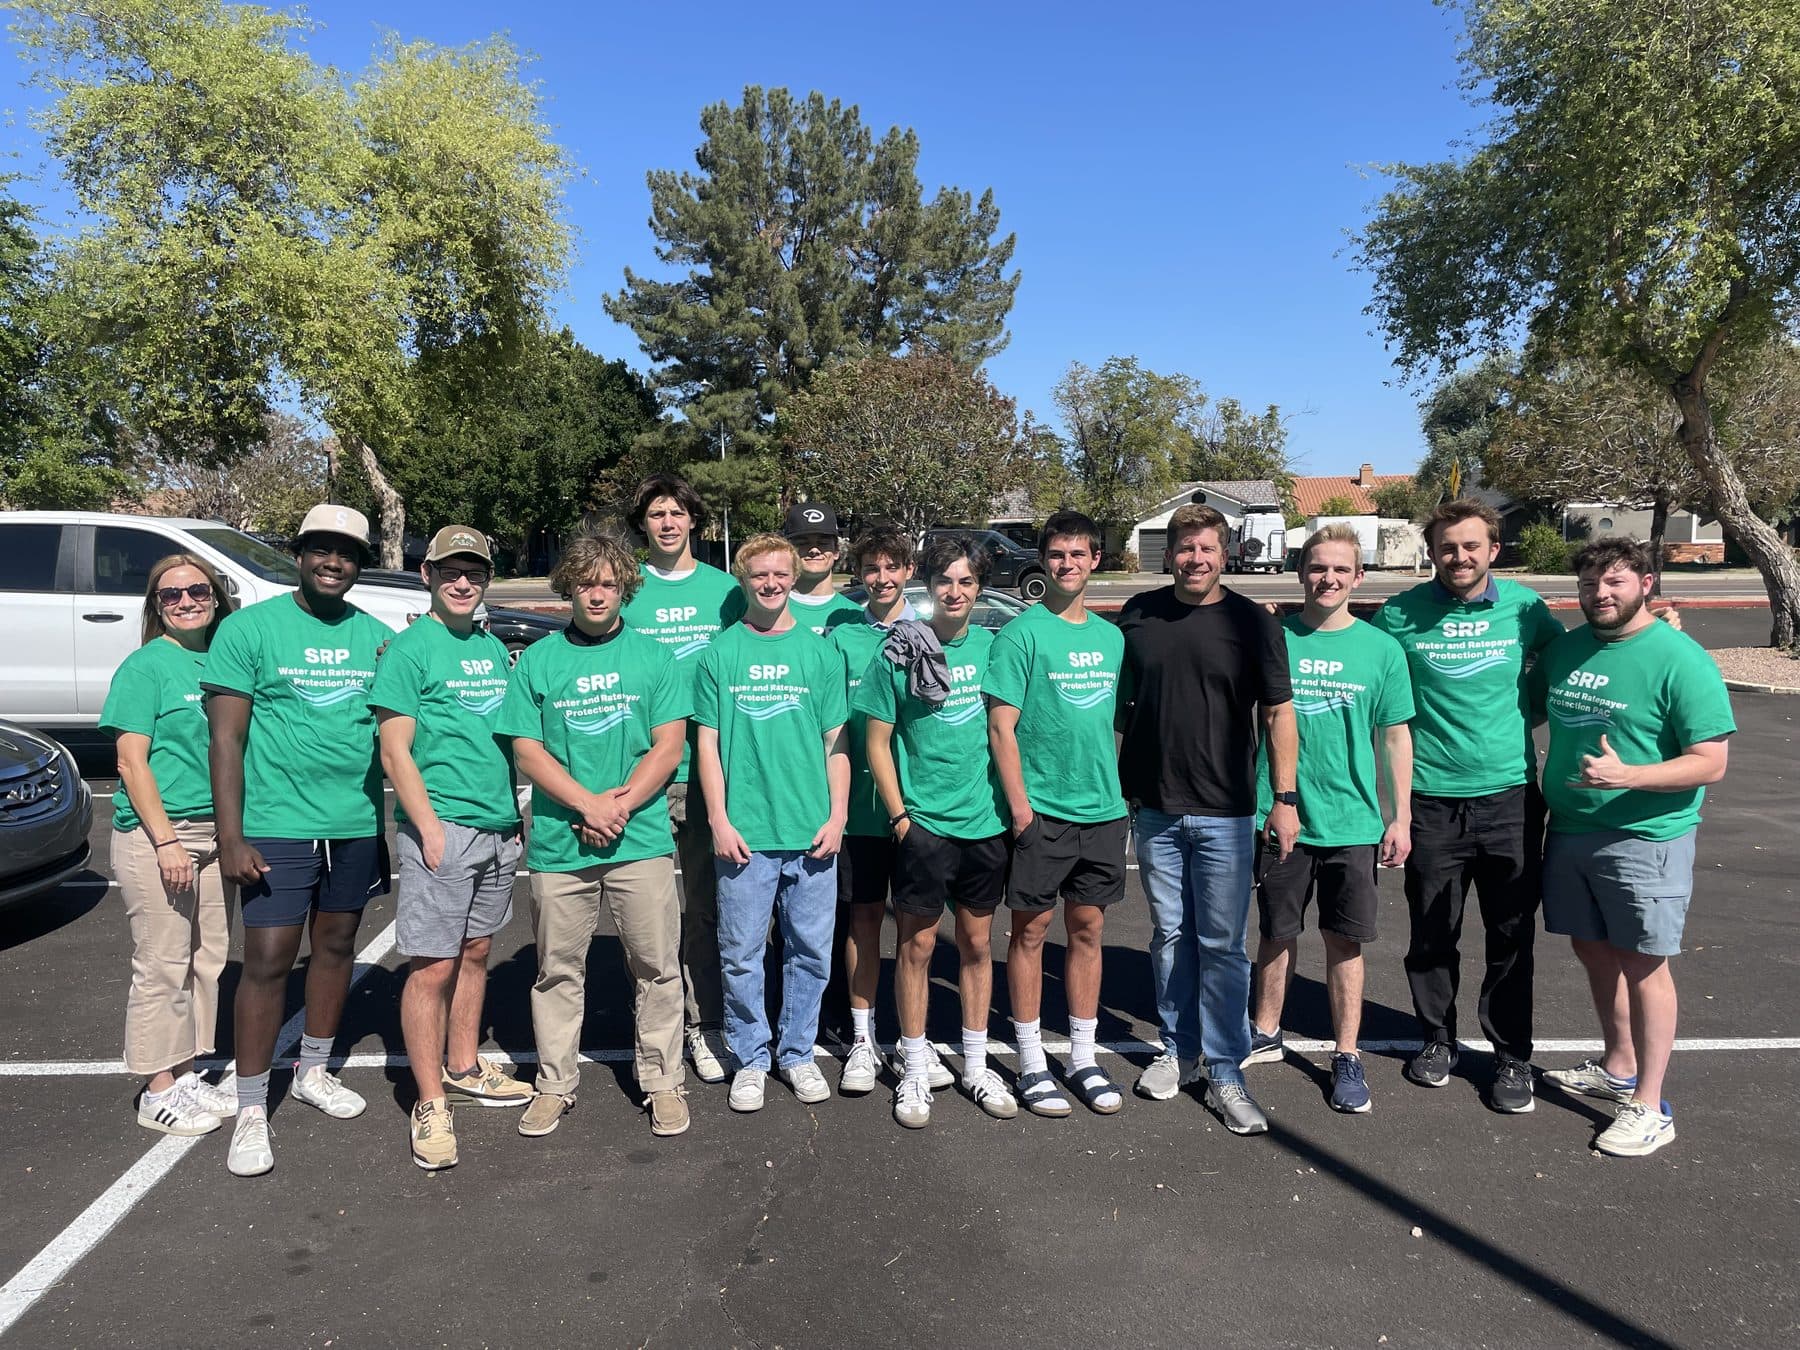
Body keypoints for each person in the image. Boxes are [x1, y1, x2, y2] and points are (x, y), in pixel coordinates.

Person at [205, 504, 391, 1177]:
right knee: (268, 961)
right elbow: (226, 740)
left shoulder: (378, 638)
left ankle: (314, 1070)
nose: (333, 562)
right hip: (276, 824)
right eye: (321, 549)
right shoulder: (249, 630)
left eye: (347, 553)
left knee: (337, 947)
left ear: (359, 564)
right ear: (299, 554)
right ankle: (252, 1107)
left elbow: (398, 733)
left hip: (354, 823)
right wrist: (231, 836)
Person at [1535, 538, 1734, 1157]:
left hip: (1645, 837)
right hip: (1571, 829)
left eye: (1615, 581)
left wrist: (1631, 776)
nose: (1600, 593)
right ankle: (1618, 1065)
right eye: (1590, 583)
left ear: (1646, 584)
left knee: (1645, 963)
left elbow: (1711, 761)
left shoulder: (1680, 659)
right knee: (1593, 949)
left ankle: (1650, 1104)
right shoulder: (1567, 650)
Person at [1370, 498, 1563, 1113]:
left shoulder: (1526, 609)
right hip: (1429, 800)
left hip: (1510, 797)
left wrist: (1655, 629)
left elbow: (1567, 665)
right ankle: (1437, 1039)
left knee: (1510, 934)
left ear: (1493, 550)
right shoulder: (1399, 614)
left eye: (1471, 546)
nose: (1459, 556)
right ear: (1432, 552)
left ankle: (1512, 1056)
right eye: (1448, 547)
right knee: (1432, 933)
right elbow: (1362, 669)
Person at [499, 532, 692, 1140]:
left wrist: (620, 806)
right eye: (586, 583)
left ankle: (663, 1080)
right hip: (562, 842)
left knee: (657, 967)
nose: (598, 594)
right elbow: (527, 750)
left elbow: (669, 746)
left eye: (609, 583)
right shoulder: (539, 660)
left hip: (641, 839)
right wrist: (587, 804)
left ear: (625, 588)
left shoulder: (655, 657)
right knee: (557, 972)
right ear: (569, 589)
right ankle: (554, 1084)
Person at [1116, 504, 1296, 1135]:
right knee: (1169, 936)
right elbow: (1119, 705)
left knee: (1222, 945)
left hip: (1227, 812)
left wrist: (1284, 798)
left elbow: (1278, 713)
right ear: (1169, 555)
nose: (1196, 559)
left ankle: (1225, 1070)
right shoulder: (1138, 614)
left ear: (1226, 555)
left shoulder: (1253, 622)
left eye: (1207, 549)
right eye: (1186, 548)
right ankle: (1177, 1049)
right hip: (1156, 809)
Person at [371, 525, 529, 1171]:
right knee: (432, 966)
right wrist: (428, 827)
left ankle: (463, 1067)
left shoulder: (490, 648)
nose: (463, 583)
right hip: (445, 828)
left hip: (496, 827)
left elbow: (502, 741)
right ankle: (430, 1098)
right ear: (427, 576)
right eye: (450, 572)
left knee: (477, 950)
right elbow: (394, 750)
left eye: (475, 573)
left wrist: (511, 816)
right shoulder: (410, 650)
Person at [1244, 525, 1415, 1114]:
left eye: (1341, 569)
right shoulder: (1273, 640)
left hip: (1354, 822)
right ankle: (1265, 1032)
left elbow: (1395, 736)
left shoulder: (1381, 650)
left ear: (1358, 577)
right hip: (1282, 817)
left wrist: (1401, 818)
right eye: (1318, 567)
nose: (1329, 578)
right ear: (1300, 572)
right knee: (1276, 933)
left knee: (1345, 941)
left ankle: (1346, 1054)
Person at [860, 535, 1016, 1127]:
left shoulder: (996, 649)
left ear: (979, 589)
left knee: (976, 945)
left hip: (984, 825)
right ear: (928, 587)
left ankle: (975, 1065)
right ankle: (914, 1065)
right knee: (917, 947)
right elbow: (877, 742)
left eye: (966, 581)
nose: (955, 591)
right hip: (923, 826)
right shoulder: (899, 651)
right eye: (945, 581)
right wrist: (901, 817)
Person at [693, 533, 849, 1113]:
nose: (771, 583)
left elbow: (837, 744)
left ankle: (798, 1053)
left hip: (811, 833)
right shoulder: (719, 654)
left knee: (810, 953)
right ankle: (751, 1058)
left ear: (794, 577)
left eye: (781, 573)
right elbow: (707, 746)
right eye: (760, 574)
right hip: (746, 834)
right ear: (743, 579)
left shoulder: (819, 653)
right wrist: (718, 818)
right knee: (741, 954)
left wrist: (837, 816)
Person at [986, 509, 1129, 1119]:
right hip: (1041, 812)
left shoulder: (1111, 638)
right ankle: (1031, 1060)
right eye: (1056, 554)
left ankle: (1083, 1056)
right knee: (1030, 932)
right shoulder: (1022, 635)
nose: (1067, 564)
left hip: (1102, 811)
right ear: (1044, 561)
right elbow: (1001, 727)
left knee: (1088, 930)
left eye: (1078, 554)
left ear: (1095, 559)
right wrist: (1021, 809)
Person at [104, 553, 239, 1136]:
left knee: (206, 959)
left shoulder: (225, 658)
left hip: (216, 831)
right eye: (171, 595)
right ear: (156, 607)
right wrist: (165, 842)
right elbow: (130, 762)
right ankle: (156, 1088)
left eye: (197, 591)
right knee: (162, 963)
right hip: (160, 834)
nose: (186, 602)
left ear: (216, 596)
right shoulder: (146, 667)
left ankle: (185, 1073)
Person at [621, 473, 744, 1087]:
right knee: (646, 916)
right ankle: (654, 1028)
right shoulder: (626, 589)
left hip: (708, 775)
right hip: (641, 770)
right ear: (643, 524)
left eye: (676, 512)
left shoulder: (727, 592)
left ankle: (705, 1023)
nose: (667, 523)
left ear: (694, 520)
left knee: (704, 909)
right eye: (656, 514)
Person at [825, 524, 954, 1094]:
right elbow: (831, 727)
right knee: (863, 920)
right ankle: (862, 1038)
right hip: (860, 810)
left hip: (918, 807)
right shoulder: (841, 639)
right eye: (871, 568)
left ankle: (911, 1042)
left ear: (908, 572)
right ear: (859, 574)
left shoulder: (929, 634)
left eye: (891, 567)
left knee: (915, 929)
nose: (881, 578)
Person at [782, 502, 864, 636]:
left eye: (823, 543)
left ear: (836, 551)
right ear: (788, 550)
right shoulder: (769, 610)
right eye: (803, 543)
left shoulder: (857, 617)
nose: (814, 550)